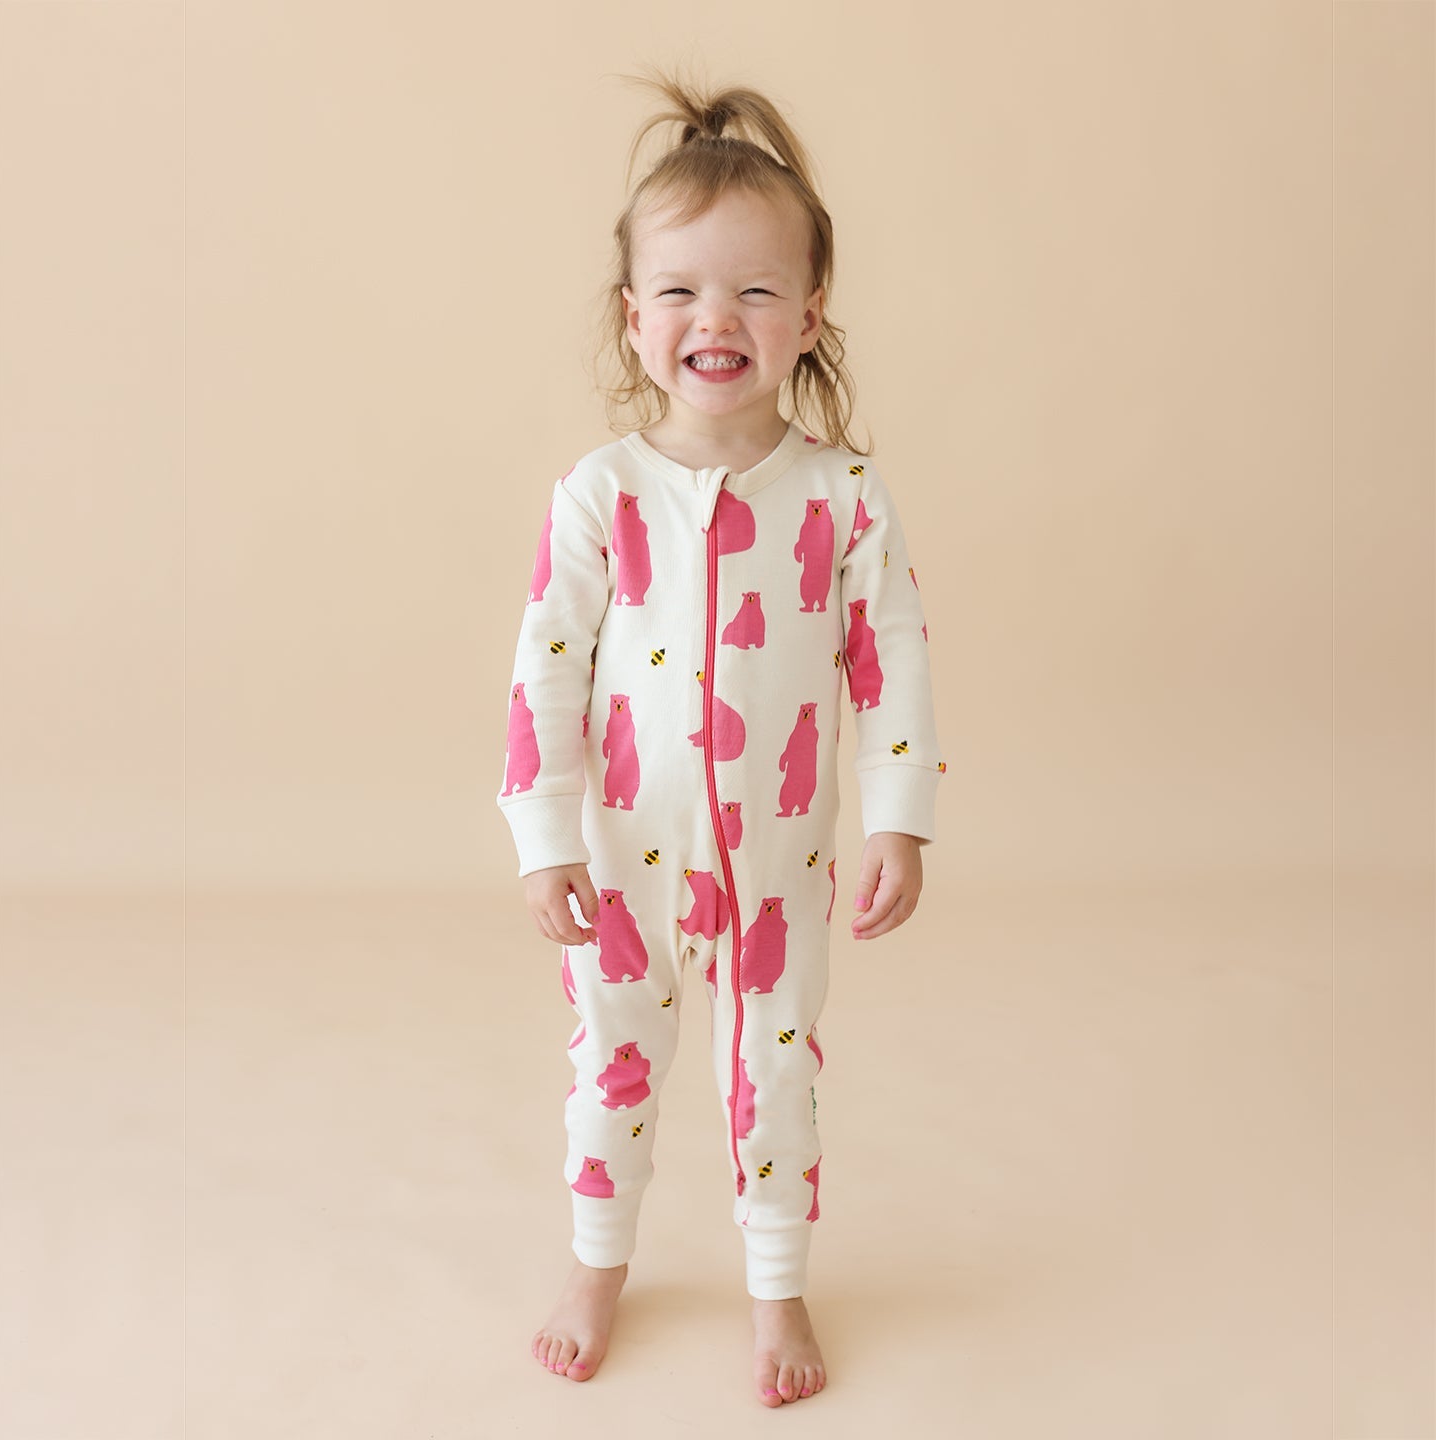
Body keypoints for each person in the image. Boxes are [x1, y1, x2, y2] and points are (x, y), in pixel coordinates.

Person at [497, 69, 943, 1407]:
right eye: (682, 290)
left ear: (810, 313)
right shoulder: (603, 495)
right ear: (634, 317)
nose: (717, 318)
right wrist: (542, 838)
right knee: (610, 1059)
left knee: (776, 1067)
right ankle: (597, 1261)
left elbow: (894, 663)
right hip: (623, 858)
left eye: (756, 290)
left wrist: (901, 821)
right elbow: (545, 672)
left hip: (777, 870)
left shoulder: (842, 497)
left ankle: (776, 1284)